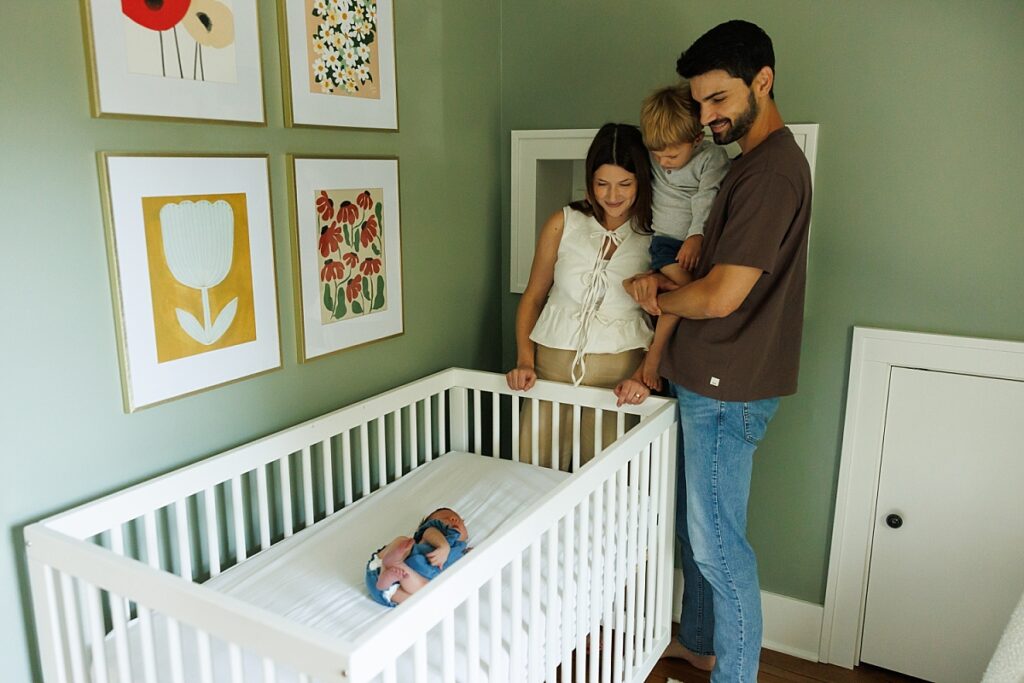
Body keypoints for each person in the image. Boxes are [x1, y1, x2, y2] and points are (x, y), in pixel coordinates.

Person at [625, 20, 813, 682]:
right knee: (697, 534)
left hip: (726, 384)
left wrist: (658, 296)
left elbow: (723, 295)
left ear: (762, 82)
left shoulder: (772, 173)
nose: (707, 117)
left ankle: (734, 674)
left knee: (720, 548)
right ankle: (701, 643)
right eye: (700, 102)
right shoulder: (747, 166)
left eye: (719, 100)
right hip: (706, 377)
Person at [506, 123, 656, 470]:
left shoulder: (653, 232)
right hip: (550, 368)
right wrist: (525, 360)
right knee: (534, 467)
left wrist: (646, 374)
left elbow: (666, 315)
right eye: (602, 183)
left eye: (624, 184)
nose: (612, 195)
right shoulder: (564, 221)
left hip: (618, 378)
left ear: (641, 182)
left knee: (603, 475)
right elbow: (533, 296)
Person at [638, 84, 730, 391]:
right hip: (665, 243)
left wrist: (696, 236)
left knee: (688, 295)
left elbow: (707, 197)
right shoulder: (658, 155)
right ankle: (653, 359)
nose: (663, 162)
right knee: (686, 294)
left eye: (672, 155)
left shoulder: (710, 158)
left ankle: (659, 355)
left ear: (696, 139)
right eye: (657, 154)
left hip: (695, 243)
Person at [365, 507, 469, 607]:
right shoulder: (441, 531)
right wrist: (443, 546)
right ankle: (388, 567)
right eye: (462, 521)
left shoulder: (459, 550)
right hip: (383, 565)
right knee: (402, 541)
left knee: (426, 596)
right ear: (454, 520)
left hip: (392, 590)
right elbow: (430, 532)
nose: (463, 523)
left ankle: (387, 577)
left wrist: (468, 554)